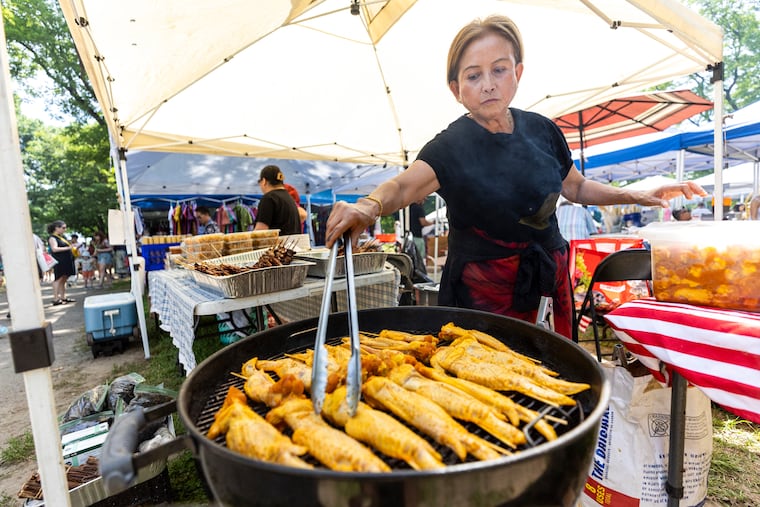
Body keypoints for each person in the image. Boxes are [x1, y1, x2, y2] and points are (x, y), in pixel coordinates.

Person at [324, 14, 706, 339]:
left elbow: (574, 186)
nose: (488, 83)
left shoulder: (542, 130)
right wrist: (369, 206)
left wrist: (637, 194)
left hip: (548, 279)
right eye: (474, 76)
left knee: (556, 371)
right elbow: (404, 185)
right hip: (482, 291)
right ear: (457, 90)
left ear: (517, 73)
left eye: (499, 70)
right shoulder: (450, 145)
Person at [255, 165, 302, 236]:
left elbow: (260, 232)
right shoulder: (289, 198)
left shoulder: (268, 198)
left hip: (277, 246)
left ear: (264, 181)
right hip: (293, 245)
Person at [47, 221, 76, 305]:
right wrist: (68, 248)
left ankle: (63, 297)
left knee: (63, 279)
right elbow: (54, 249)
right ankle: (56, 298)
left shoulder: (61, 237)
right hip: (59, 260)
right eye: (63, 228)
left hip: (66, 260)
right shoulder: (53, 238)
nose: (65, 230)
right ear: (56, 228)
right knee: (58, 279)